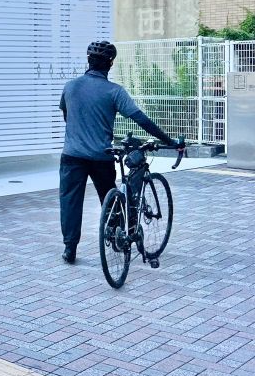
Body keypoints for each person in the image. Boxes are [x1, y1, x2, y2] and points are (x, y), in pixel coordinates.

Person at [58, 41, 184, 264]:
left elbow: (67, 116)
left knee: (70, 201)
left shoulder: (70, 87)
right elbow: (140, 119)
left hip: (71, 156)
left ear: (88, 61)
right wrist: (170, 142)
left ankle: (70, 248)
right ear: (111, 63)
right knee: (110, 198)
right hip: (101, 156)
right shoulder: (114, 91)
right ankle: (116, 237)